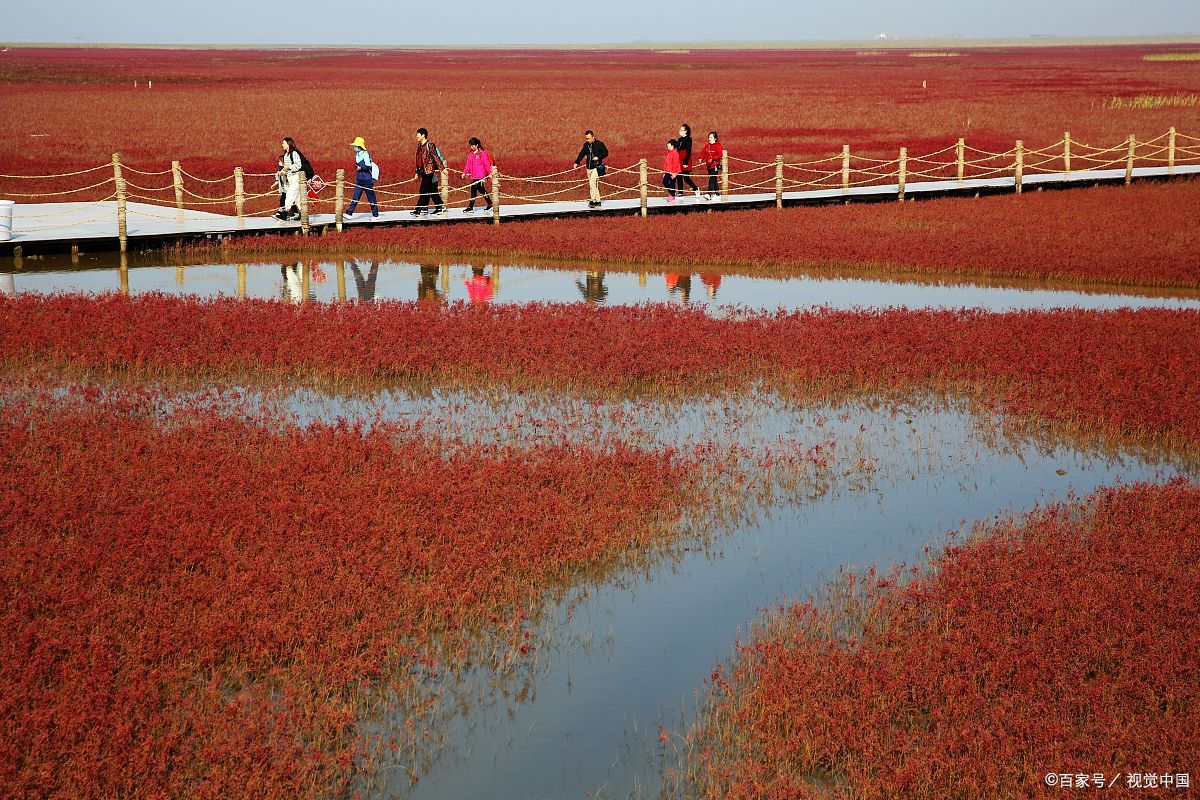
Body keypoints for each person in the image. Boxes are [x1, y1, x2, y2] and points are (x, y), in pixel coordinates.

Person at [412, 128, 446, 217]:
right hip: (423, 171)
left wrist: (443, 168)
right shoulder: (420, 146)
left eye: (418, 135)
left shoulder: (430, 145)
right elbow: (418, 160)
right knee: (432, 190)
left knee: (423, 190)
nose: (416, 136)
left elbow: (436, 157)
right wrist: (417, 172)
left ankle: (418, 210)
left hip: (429, 171)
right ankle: (440, 207)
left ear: (423, 135)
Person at [572, 130, 609, 208]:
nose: (587, 140)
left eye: (589, 138)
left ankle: (593, 201)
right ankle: (598, 201)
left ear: (593, 137)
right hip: (588, 168)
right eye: (586, 138)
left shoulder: (599, 144)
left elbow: (606, 153)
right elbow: (581, 154)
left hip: (596, 167)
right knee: (593, 185)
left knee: (592, 184)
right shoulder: (586, 145)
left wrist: (598, 157)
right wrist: (576, 162)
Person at [346, 136, 379, 219]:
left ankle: (375, 215)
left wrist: (361, 167)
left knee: (371, 198)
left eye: (356, 146)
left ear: (359, 146)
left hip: (367, 180)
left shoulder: (365, 154)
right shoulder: (357, 155)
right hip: (359, 179)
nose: (354, 147)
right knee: (355, 197)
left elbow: (368, 165)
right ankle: (349, 213)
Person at [462, 137, 494, 214]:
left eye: (472, 145)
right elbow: (468, 164)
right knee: (482, 190)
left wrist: (489, 174)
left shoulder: (482, 153)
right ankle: (490, 204)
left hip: (480, 176)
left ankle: (471, 207)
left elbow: (486, 164)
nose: (471, 147)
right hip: (474, 175)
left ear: (477, 145)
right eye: (470, 146)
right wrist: (464, 172)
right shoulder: (471, 154)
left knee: (473, 190)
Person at [275, 137, 304, 221]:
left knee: (290, 195)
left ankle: (285, 212)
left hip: (296, 178)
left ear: (288, 144)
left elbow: (298, 166)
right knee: (297, 197)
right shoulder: (286, 155)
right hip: (290, 178)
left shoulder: (294, 153)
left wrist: (287, 167)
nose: (282, 145)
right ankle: (303, 213)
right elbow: (287, 168)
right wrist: (284, 172)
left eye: (283, 143)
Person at [676, 124, 700, 199]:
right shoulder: (679, 140)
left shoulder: (688, 139)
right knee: (678, 176)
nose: (680, 131)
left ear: (686, 131)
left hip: (685, 159)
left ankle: (696, 189)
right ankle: (680, 192)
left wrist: (685, 162)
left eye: (681, 130)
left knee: (686, 178)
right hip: (679, 159)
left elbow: (688, 150)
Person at [699, 131, 724, 201]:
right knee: (714, 179)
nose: (709, 139)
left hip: (715, 165)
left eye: (711, 137)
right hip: (709, 165)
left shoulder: (718, 146)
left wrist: (712, 159)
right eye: (709, 137)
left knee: (711, 179)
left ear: (715, 138)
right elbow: (703, 152)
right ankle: (718, 194)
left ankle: (709, 194)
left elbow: (720, 155)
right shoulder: (707, 146)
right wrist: (701, 158)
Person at [663, 139, 682, 204]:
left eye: (669, 144)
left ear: (672, 145)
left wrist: (674, 173)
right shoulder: (668, 152)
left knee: (672, 183)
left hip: (673, 172)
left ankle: (672, 195)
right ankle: (672, 193)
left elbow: (676, 164)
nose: (667, 145)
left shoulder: (675, 153)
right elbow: (666, 163)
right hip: (668, 171)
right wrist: (664, 171)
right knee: (664, 181)